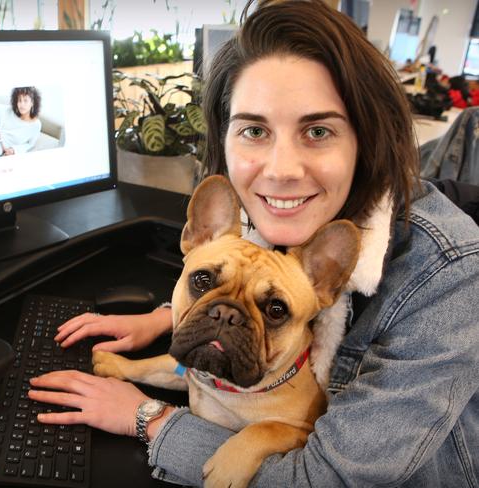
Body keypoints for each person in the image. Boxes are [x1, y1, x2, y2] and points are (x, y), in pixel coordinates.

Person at [28, 1, 479, 486]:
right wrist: (167, 317)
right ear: (224, 138)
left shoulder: (450, 276)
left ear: (366, 138)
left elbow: (325, 477)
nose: (281, 170)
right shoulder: (266, 216)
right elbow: (245, 283)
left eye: (318, 130)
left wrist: (146, 418)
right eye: (254, 130)